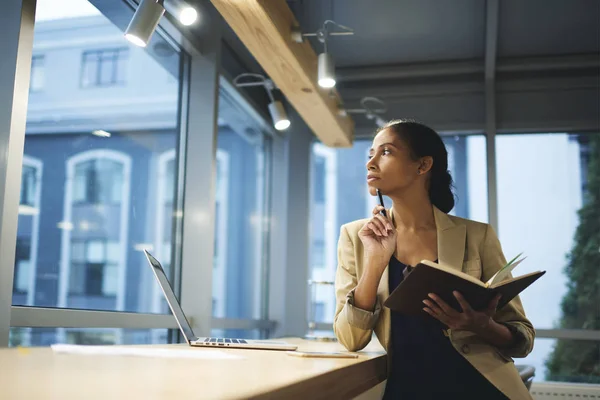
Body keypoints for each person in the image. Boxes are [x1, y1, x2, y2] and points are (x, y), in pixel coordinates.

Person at [333, 120, 535, 399]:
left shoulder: (477, 235)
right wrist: (375, 264)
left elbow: (522, 338)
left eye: (386, 152)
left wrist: (482, 326)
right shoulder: (355, 236)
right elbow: (350, 339)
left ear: (423, 165)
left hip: (479, 387)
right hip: (403, 390)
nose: (371, 163)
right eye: (370, 154)